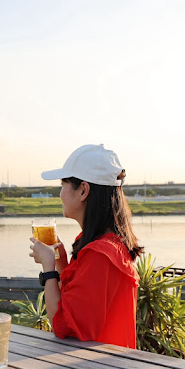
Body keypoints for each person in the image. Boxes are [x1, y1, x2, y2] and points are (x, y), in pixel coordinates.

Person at [29, 144, 143, 348]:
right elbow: (78, 303)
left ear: (83, 190)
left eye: (63, 185)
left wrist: (48, 270)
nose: (60, 194)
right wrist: (60, 264)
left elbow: (62, 326)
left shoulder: (100, 254)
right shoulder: (103, 244)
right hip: (95, 368)